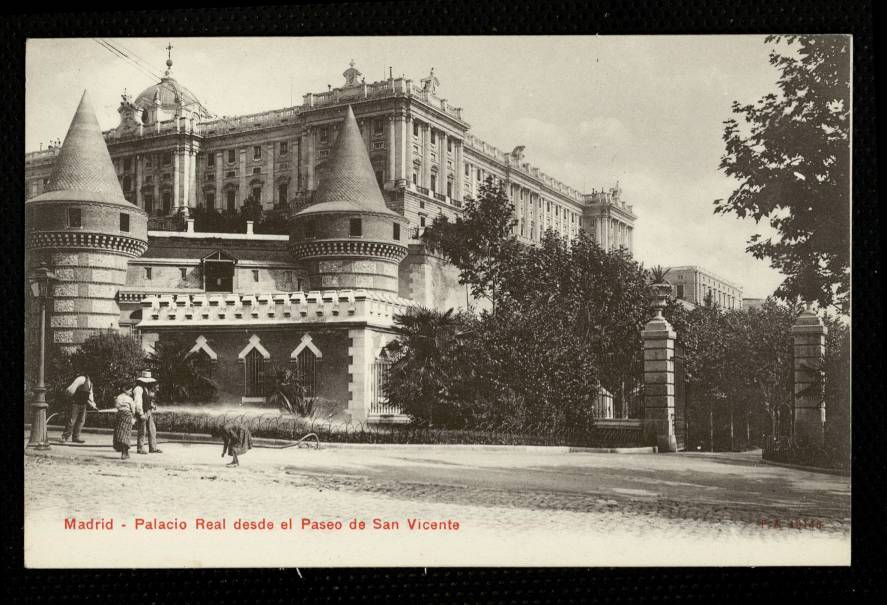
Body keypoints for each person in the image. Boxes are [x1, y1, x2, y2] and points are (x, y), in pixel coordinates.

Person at [60, 373, 97, 443]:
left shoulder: (90, 384)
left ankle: (76, 437)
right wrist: (69, 396)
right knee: (72, 421)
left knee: (81, 421)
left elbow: (90, 397)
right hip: (75, 404)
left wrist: (93, 406)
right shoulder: (81, 379)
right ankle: (65, 437)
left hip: (83, 405)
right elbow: (71, 389)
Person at [133, 370, 162, 454]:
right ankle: (140, 448)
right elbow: (137, 402)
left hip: (148, 411)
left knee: (152, 429)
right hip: (142, 412)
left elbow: (147, 400)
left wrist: (151, 405)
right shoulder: (138, 389)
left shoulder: (146, 388)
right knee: (142, 431)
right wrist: (141, 413)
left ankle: (153, 448)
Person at [112, 384, 137, 460]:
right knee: (126, 433)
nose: (131, 392)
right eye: (130, 390)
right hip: (127, 415)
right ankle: (125, 453)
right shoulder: (129, 399)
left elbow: (117, 406)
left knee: (120, 433)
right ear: (125, 389)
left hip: (120, 415)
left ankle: (124, 452)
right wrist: (133, 415)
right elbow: (133, 408)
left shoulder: (118, 397)